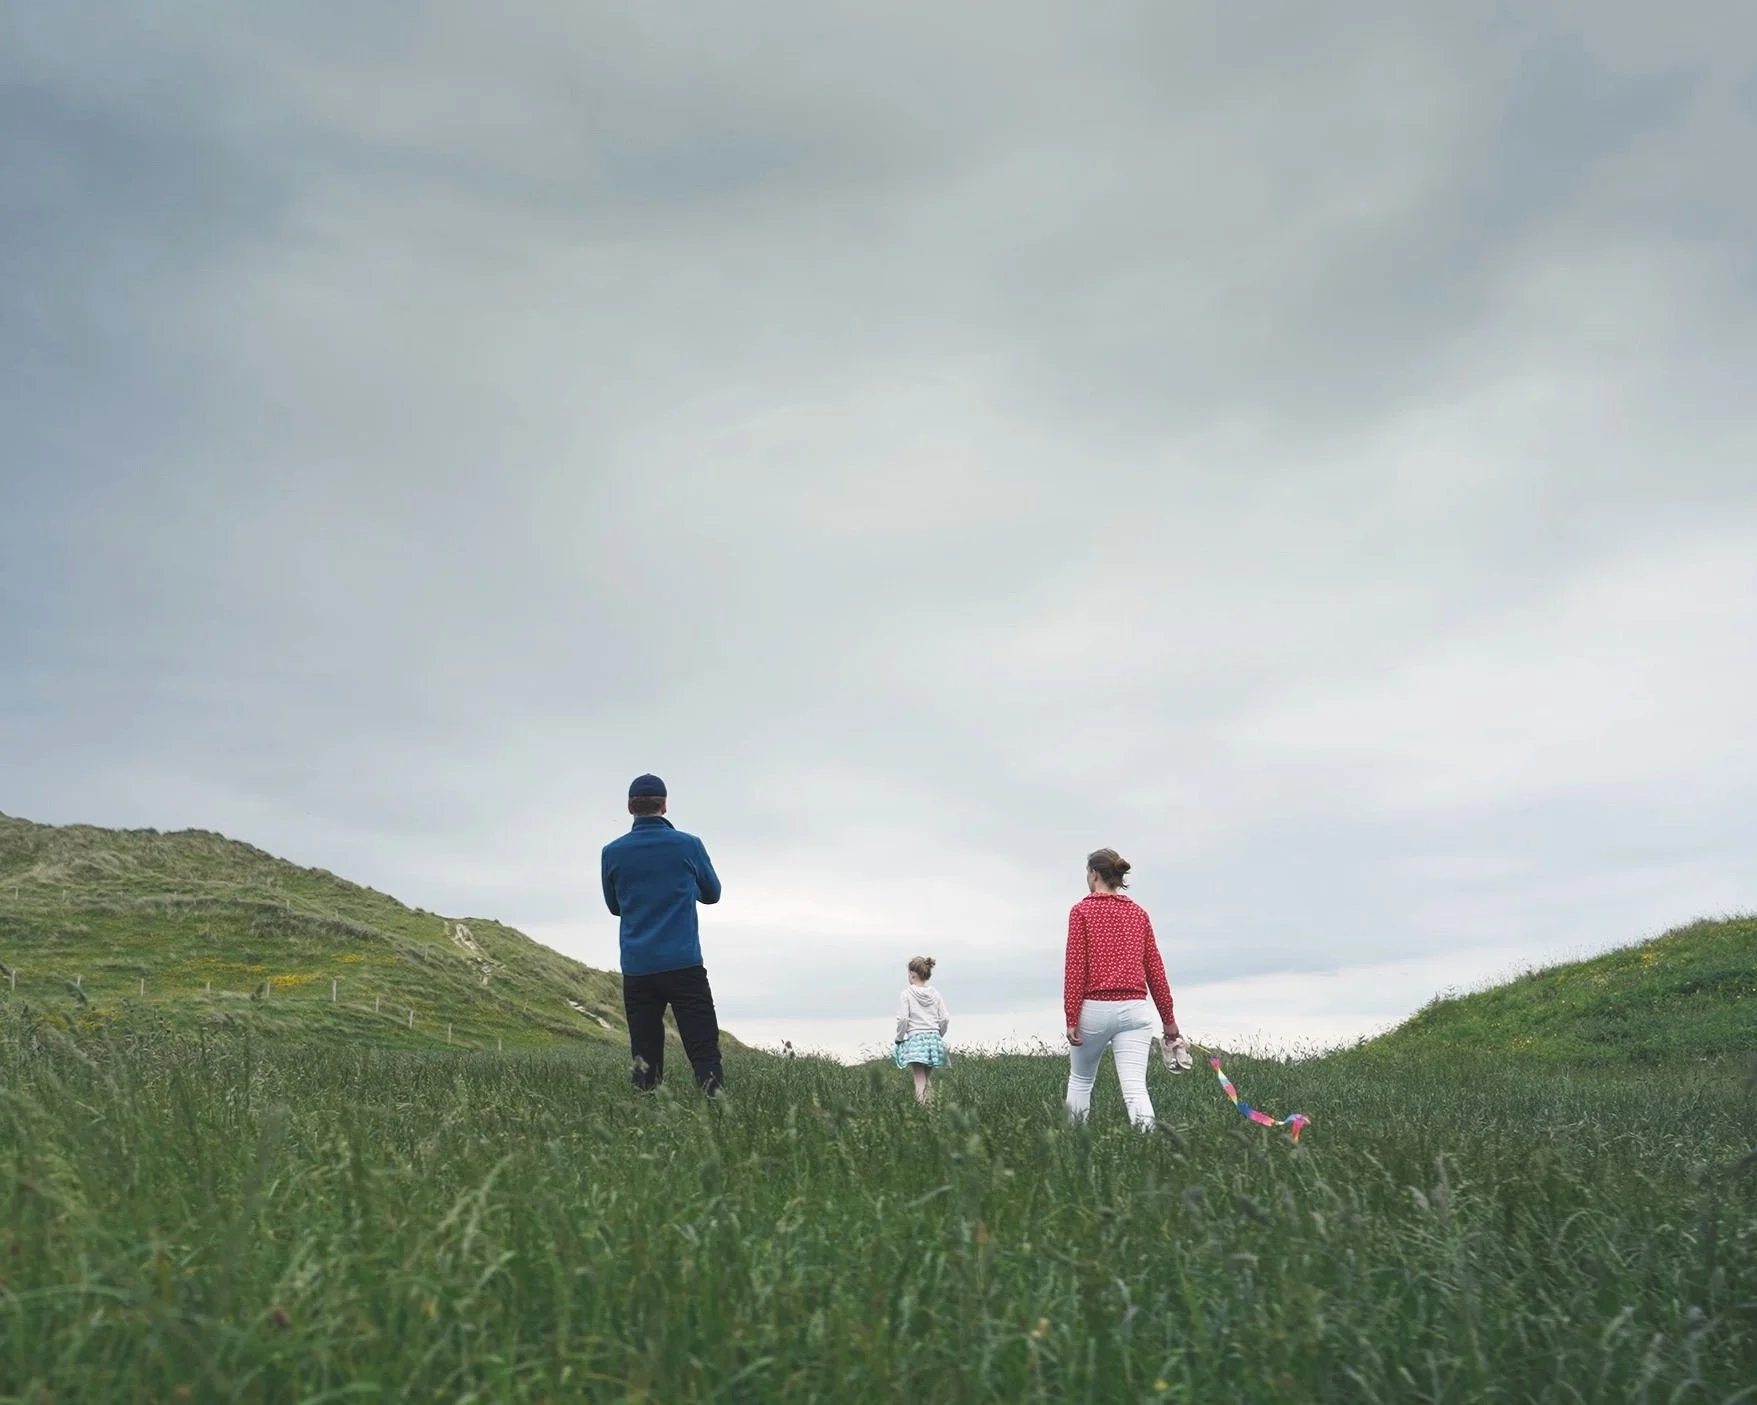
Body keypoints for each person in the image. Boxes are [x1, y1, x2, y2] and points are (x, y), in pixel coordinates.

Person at [600, 774, 725, 1094]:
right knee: (702, 1045)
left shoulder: (612, 852)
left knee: (645, 1053)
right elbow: (712, 894)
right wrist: (684, 889)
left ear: (630, 807)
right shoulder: (689, 845)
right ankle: (716, 1107)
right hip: (683, 962)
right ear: (664, 806)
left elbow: (614, 907)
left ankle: (645, 1110)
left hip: (638, 966)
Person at [1064, 847, 1180, 1128]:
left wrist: (1071, 1017)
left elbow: (1075, 968)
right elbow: (1155, 970)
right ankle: (1148, 1146)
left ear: (1094, 874)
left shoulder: (1081, 911)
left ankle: (1072, 1144)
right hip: (1134, 1010)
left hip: (1094, 1009)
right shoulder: (1138, 914)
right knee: (1136, 1089)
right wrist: (1169, 1020)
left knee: (1080, 1081)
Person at [892, 955, 950, 1103]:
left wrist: (899, 1037)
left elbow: (903, 1019)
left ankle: (921, 1109)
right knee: (926, 1078)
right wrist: (939, 1034)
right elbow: (944, 1018)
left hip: (916, 1039)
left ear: (913, 973)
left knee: (918, 1079)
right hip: (934, 1039)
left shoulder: (906, 994)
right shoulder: (936, 995)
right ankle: (930, 1108)